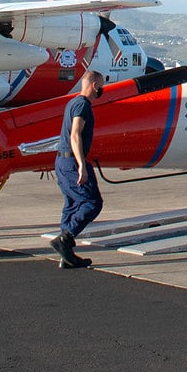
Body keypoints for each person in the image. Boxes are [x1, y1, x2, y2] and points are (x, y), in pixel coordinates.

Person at [50, 65, 104, 269]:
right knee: (92, 202)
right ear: (94, 85)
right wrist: (81, 165)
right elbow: (75, 134)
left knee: (72, 204)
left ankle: (66, 256)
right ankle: (65, 239)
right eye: (101, 86)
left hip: (62, 161)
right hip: (72, 161)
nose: (101, 90)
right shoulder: (82, 106)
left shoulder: (72, 103)